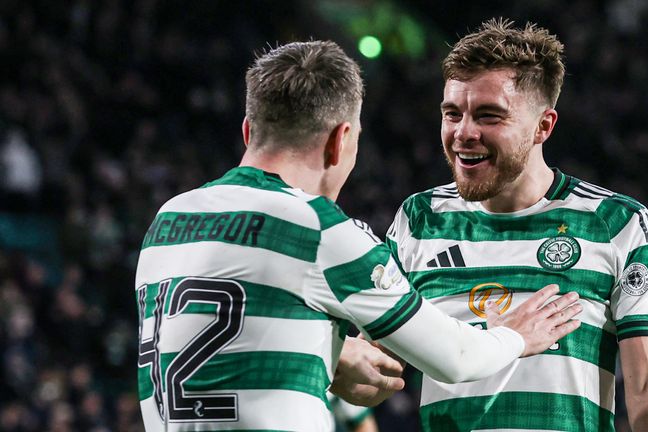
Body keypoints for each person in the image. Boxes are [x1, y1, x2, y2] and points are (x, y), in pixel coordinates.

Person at [134, 40, 582, 431]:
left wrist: (331, 353)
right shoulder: (316, 227)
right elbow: (457, 358)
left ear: (249, 131)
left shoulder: (169, 222)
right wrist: (516, 335)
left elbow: (226, 338)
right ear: (340, 140)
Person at [386, 19, 648, 432]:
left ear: (543, 126)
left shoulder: (618, 223)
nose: (463, 133)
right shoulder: (418, 219)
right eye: (452, 113)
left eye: (489, 116)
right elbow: (377, 369)